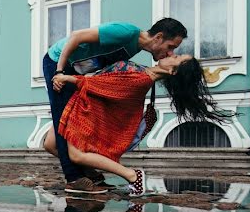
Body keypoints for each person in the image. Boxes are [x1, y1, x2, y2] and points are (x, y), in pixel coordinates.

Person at [48, 55, 228, 196]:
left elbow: (100, 84)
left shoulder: (142, 79)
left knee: (76, 156)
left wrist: (68, 78)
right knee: (50, 143)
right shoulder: (145, 73)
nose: (172, 54)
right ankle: (93, 174)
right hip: (82, 104)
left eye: (177, 56)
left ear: (173, 71)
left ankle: (132, 175)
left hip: (87, 111)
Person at [43, 19, 187, 194]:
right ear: (158, 37)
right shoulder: (126, 33)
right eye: (171, 47)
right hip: (59, 62)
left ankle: (90, 173)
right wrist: (59, 71)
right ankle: (74, 179)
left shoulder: (136, 49)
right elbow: (76, 36)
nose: (170, 53)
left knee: (53, 140)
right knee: (61, 125)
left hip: (77, 73)